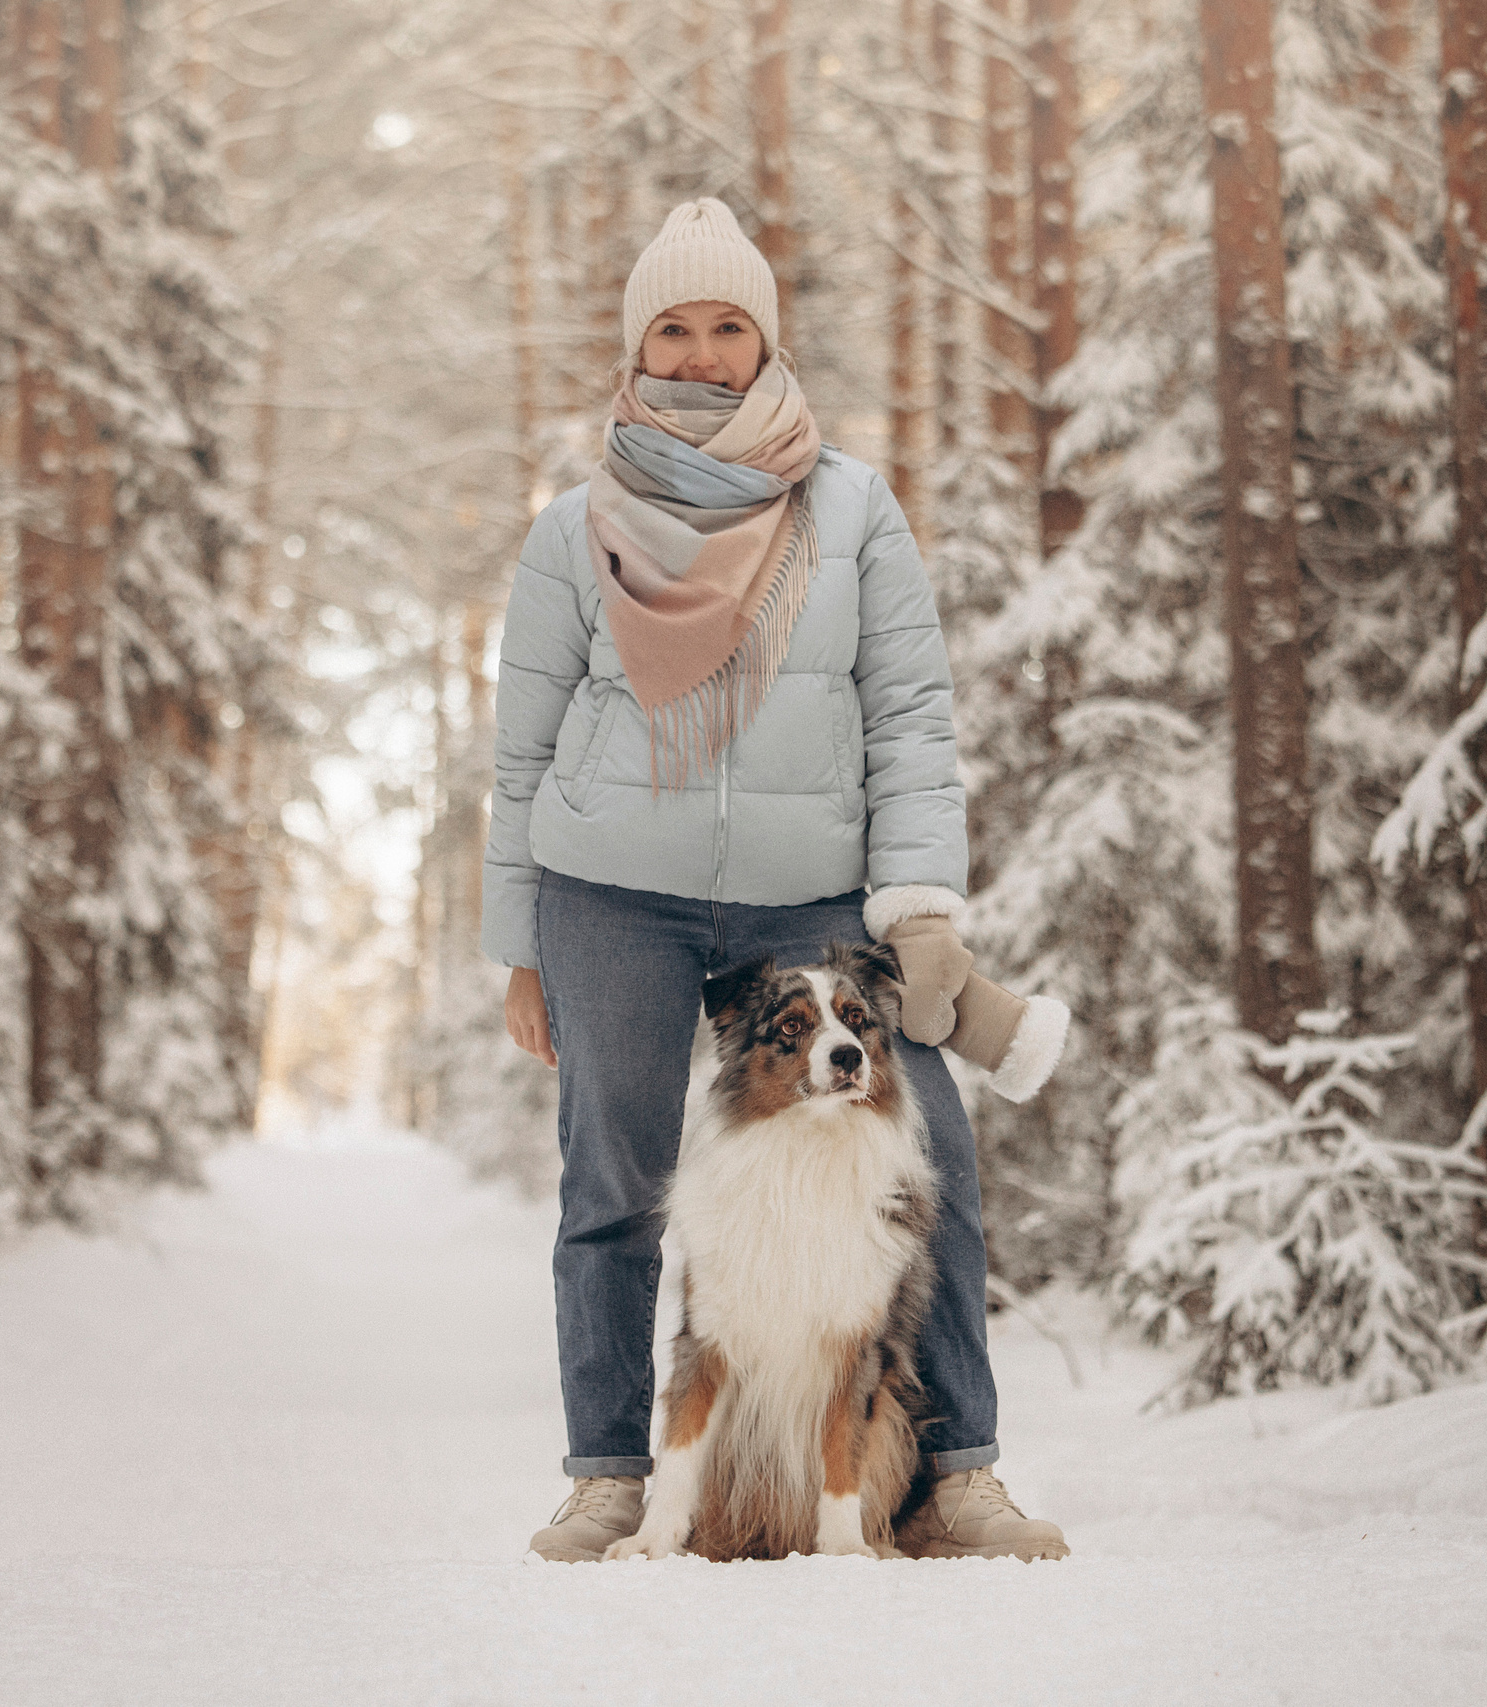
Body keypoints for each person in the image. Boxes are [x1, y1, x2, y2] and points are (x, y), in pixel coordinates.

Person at [482, 198, 1068, 1564]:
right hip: (610, 894)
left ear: (765, 341)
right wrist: (524, 945)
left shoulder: (851, 508)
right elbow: (518, 753)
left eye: (725, 326)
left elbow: (912, 716)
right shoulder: (577, 528)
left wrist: (918, 905)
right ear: (638, 349)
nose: (698, 353)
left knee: (932, 1163)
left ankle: (960, 1474)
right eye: (672, 330)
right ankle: (613, 1476)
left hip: (813, 899)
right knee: (612, 1184)